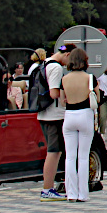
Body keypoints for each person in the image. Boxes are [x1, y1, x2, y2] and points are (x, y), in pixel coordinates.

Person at [58, 47, 95, 202]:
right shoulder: (90, 78)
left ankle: (71, 193)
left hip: (69, 116)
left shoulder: (64, 79)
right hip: (85, 114)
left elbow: (61, 101)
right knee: (84, 157)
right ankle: (83, 194)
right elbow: (96, 99)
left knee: (70, 157)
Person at [36, 44, 69, 200]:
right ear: (67, 54)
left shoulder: (43, 64)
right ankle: (47, 189)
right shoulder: (56, 68)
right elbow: (54, 92)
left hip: (43, 113)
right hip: (54, 115)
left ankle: (48, 187)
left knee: (53, 151)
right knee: (54, 152)